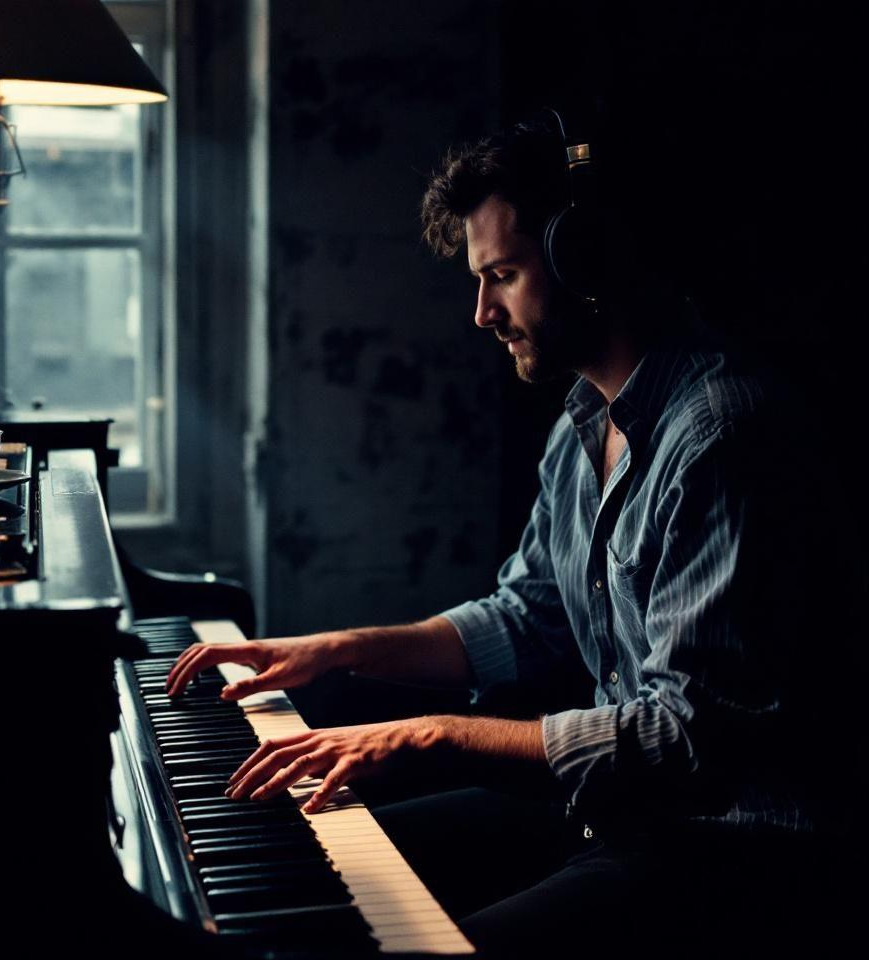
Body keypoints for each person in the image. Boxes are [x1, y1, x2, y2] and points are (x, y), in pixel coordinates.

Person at [164, 118, 855, 958]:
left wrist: (435, 731)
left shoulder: (721, 437)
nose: (482, 312)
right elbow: (526, 618)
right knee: (303, 864)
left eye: (503, 276)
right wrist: (338, 648)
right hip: (617, 816)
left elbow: (688, 738)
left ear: (585, 263)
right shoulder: (580, 428)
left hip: (736, 850)